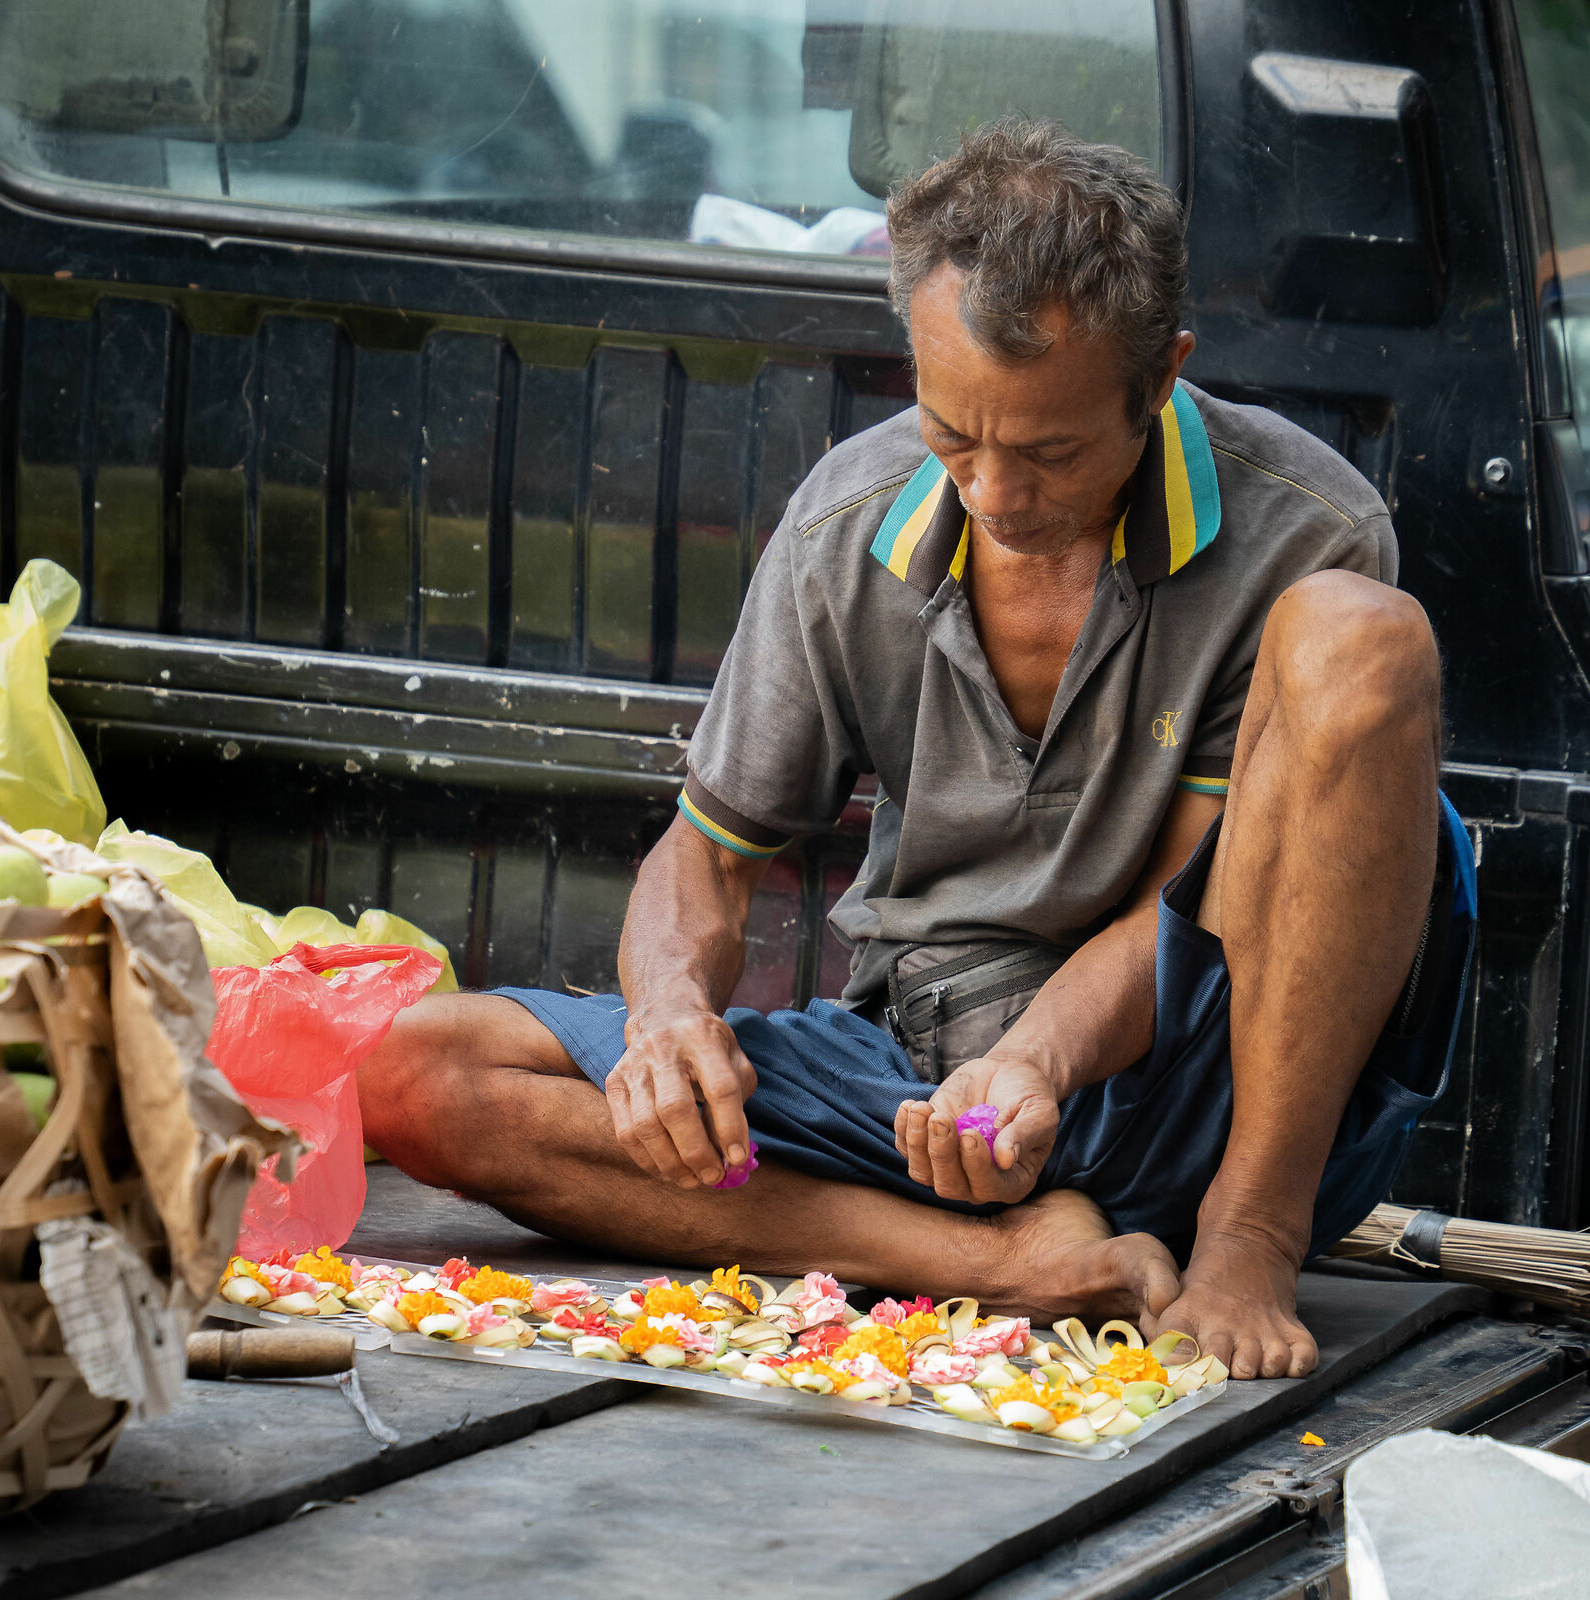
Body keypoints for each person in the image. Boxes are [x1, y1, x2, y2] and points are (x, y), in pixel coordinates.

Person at [359, 119, 1476, 1381]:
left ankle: (1246, 1243)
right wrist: (669, 1018)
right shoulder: (847, 519)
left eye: (1049, 449)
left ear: (1161, 375)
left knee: (1364, 641)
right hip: (915, 1080)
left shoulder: (1304, 527)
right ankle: (1002, 1262)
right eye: (955, 433)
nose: (995, 495)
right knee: (416, 1074)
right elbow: (710, 859)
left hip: (1190, 1084)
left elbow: (1197, 909)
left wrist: (1035, 1062)